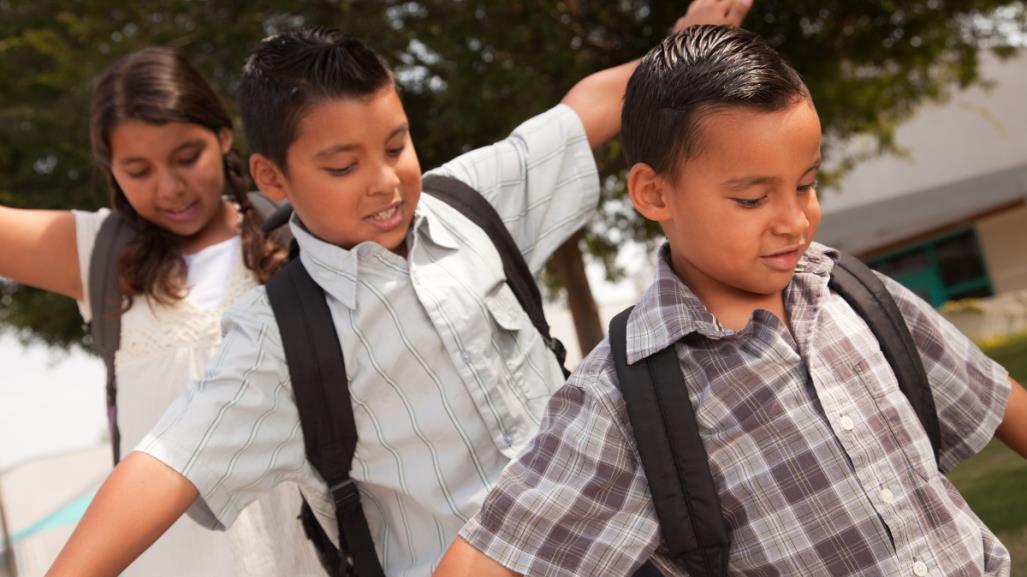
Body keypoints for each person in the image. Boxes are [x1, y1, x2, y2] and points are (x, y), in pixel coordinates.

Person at [42, 3, 754, 577]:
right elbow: (164, 463)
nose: (385, 180)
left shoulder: (470, 202)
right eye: (342, 164)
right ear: (273, 179)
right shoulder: (277, 338)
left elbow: (580, 113)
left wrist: (676, 49)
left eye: (395, 144)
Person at [432, 25, 1027, 577]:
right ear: (653, 192)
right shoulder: (622, 399)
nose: (794, 221)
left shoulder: (854, 294)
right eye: (751, 199)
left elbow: (1002, 404)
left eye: (806, 184)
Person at [0, 48, 323, 576]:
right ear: (110, 168)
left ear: (223, 136)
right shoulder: (96, 254)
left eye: (186, 155)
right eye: (138, 169)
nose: (169, 187)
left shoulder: (301, 238)